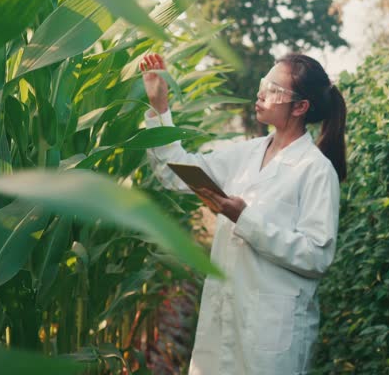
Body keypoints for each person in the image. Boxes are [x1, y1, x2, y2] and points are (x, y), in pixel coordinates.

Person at [139, 52, 347, 375]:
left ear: (300, 107)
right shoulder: (246, 152)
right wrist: (159, 107)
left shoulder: (316, 171)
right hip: (224, 320)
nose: (261, 93)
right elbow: (175, 172)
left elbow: (316, 256)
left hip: (271, 335)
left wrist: (245, 219)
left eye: (274, 89)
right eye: (264, 83)